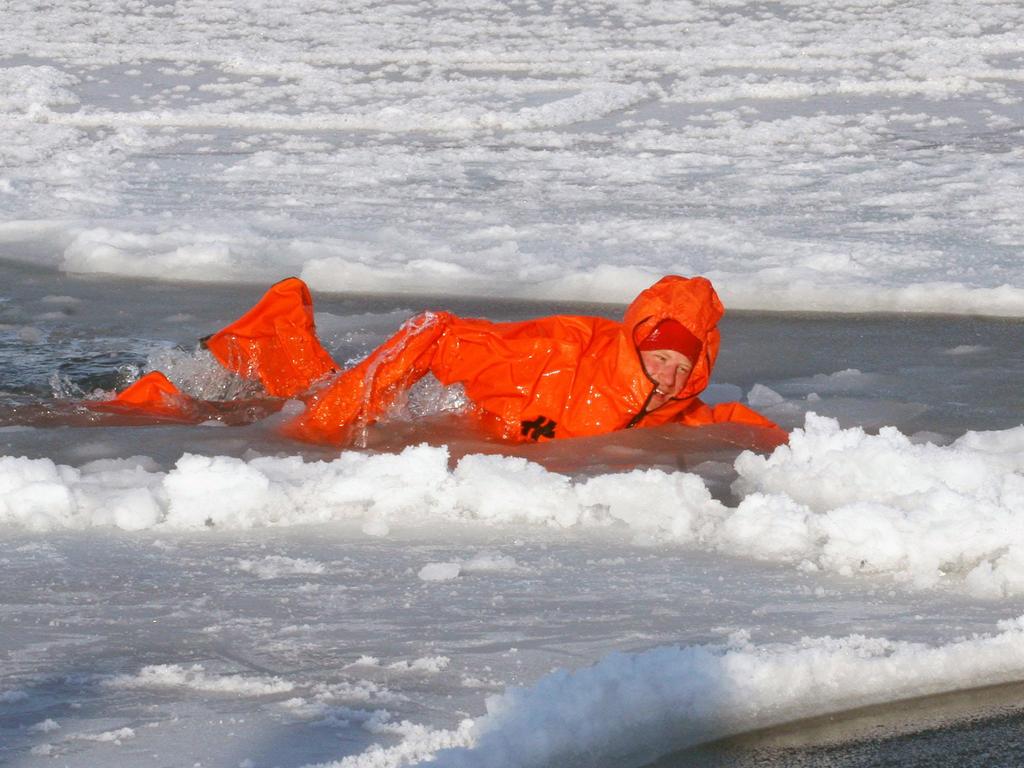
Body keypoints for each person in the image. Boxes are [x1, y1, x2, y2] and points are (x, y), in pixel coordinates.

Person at [93, 275, 783, 445]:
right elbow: (437, 333)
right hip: (448, 402)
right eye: (658, 356)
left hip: (479, 432)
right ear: (636, 342)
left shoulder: (678, 410)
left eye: (680, 367)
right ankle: (162, 403)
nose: (667, 375)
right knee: (307, 419)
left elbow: (725, 425)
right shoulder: (554, 355)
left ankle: (273, 333)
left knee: (320, 402)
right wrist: (323, 426)